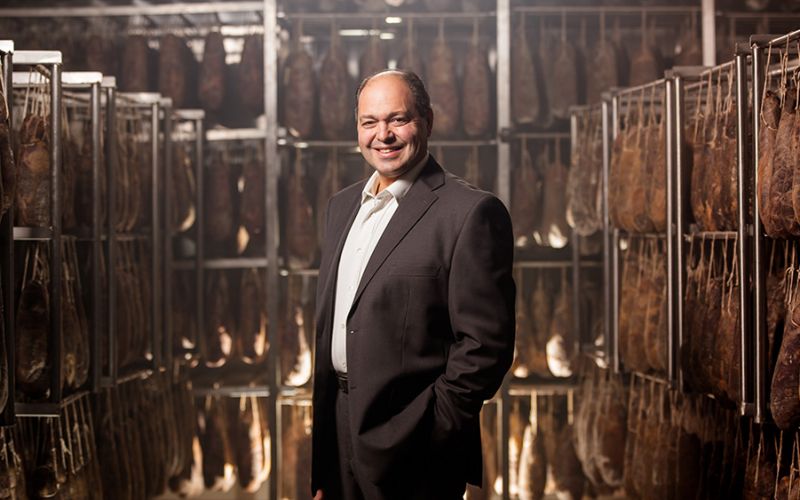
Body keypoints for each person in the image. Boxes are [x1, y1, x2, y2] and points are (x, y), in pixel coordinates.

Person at [311, 69, 515, 500]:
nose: (382, 134)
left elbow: (486, 347)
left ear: (427, 121)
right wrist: (326, 457)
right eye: (370, 122)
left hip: (416, 443)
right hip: (340, 429)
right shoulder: (341, 206)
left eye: (397, 119)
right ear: (358, 129)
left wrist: (433, 428)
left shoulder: (470, 212)